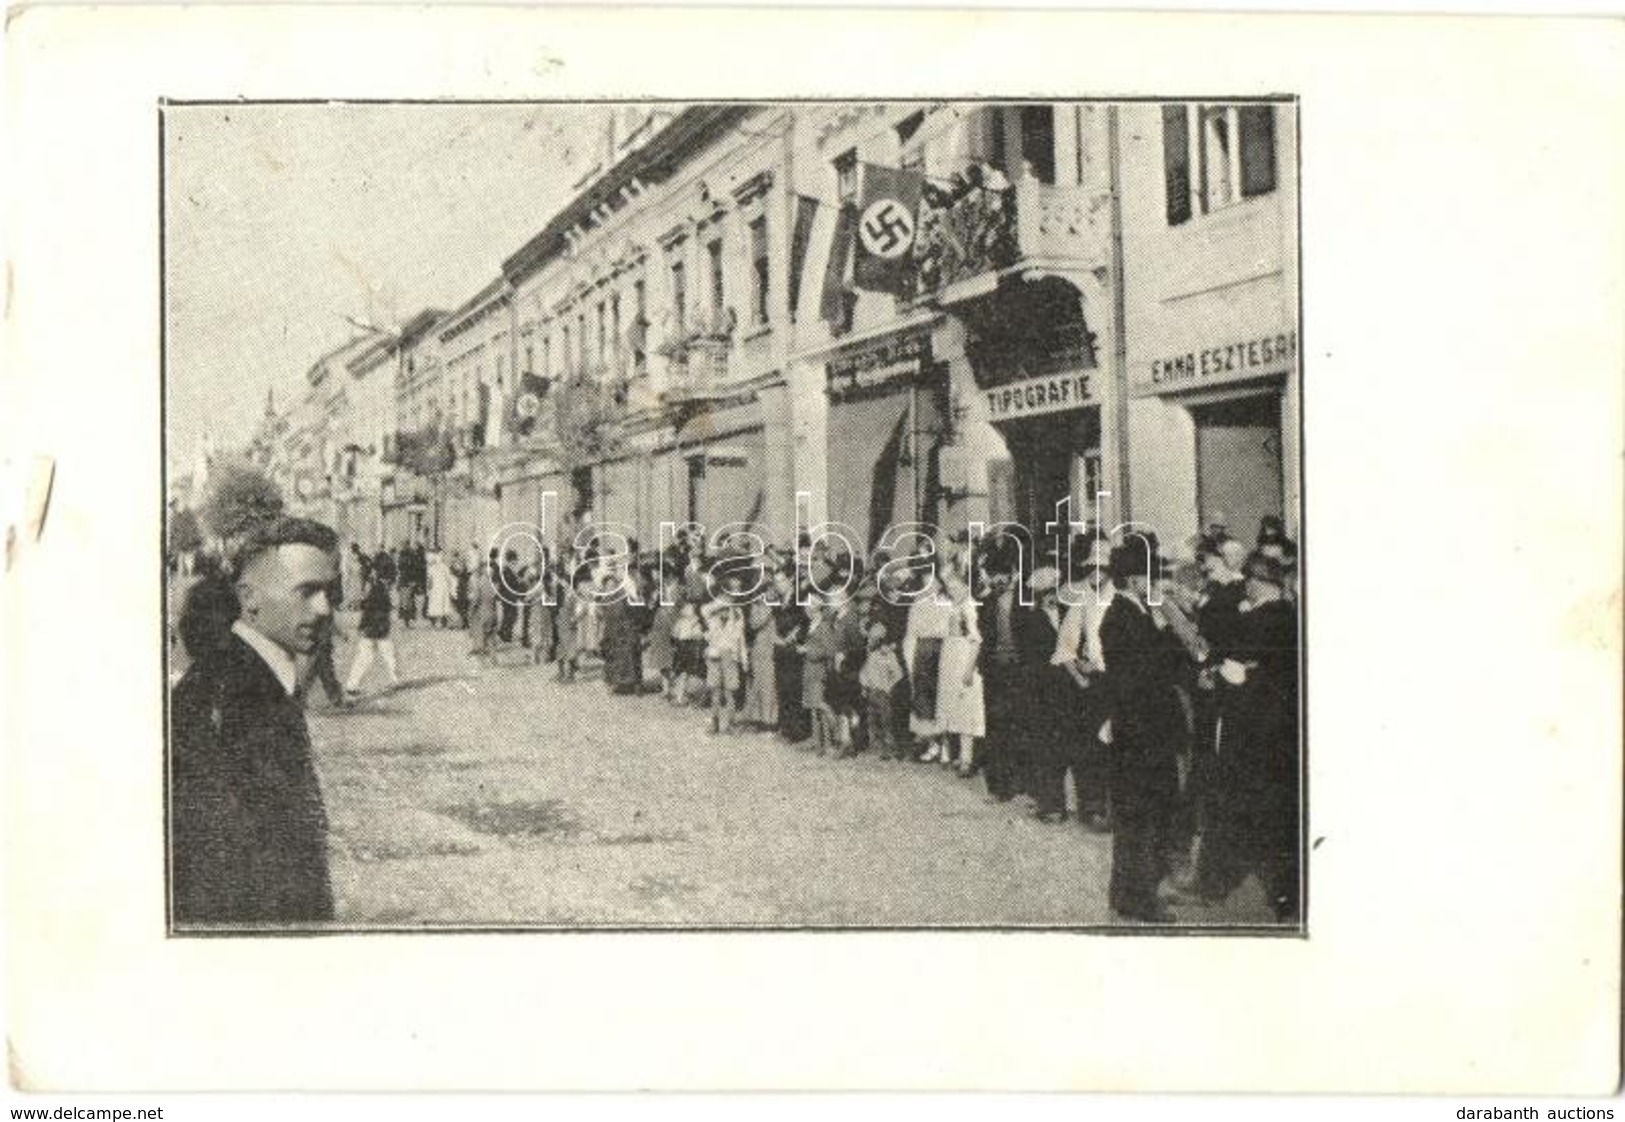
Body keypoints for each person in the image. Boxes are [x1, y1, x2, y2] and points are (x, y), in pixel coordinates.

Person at [170, 517, 340, 925]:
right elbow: (229, 860)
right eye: (307, 592)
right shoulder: (235, 692)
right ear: (249, 597)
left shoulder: (245, 676)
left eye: (329, 592)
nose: (324, 608)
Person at [1185, 552, 1301, 922]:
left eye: (1249, 580)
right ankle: (1275, 891)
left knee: (1235, 802)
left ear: (1257, 581)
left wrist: (1217, 673)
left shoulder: (1267, 617)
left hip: (1251, 727)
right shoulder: (1285, 615)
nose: (1245, 586)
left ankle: (1215, 883)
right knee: (1268, 810)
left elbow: (1243, 670)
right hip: (1274, 729)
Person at [1099, 537, 1191, 923]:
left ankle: (1128, 892)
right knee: (1142, 815)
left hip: (1143, 730)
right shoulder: (1122, 618)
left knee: (1142, 814)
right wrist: (1164, 624)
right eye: (1149, 577)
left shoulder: (1133, 614)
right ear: (1136, 580)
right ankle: (1138, 897)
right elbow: (1146, 675)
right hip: (1141, 732)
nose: (1154, 584)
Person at [936, 564, 985, 777]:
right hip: (950, 657)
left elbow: (976, 641)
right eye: (950, 588)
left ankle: (967, 759)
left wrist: (968, 669)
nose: (953, 591)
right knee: (950, 705)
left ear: (966, 586)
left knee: (966, 707)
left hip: (964, 658)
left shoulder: (970, 607)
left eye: (957, 587)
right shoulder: (952, 606)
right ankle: (953, 754)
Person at [903, 569, 953, 762]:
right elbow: (912, 632)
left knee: (941, 696)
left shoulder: (948, 604)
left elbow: (948, 630)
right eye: (925, 583)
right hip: (922, 651)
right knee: (922, 697)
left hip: (942, 650)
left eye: (932, 583)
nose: (928, 587)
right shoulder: (917, 604)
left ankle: (943, 746)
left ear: (940, 584)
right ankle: (930, 742)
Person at [344, 564, 401, 698]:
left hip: (371, 628)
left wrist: (362, 624)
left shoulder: (376, 588)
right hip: (378, 628)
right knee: (388, 654)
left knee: (366, 657)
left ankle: (352, 684)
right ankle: (395, 680)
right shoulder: (379, 589)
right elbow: (374, 607)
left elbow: (368, 606)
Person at [702, 577, 749, 735]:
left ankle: (731, 723)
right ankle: (714, 722)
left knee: (730, 691)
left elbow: (741, 637)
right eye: (734, 588)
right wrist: (723, 602)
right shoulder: (713, 608)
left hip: (730, 654)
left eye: (739, 588)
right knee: (714, 690)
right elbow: (704, 611)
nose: (738, 592)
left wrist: (744, 658)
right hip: (715, 653)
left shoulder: (737, 612)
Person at [858, 619, 906, 761]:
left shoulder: (888, 655)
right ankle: (883, 749)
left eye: (875, 638)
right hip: (872, 692)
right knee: (875, 721)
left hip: (884, 693)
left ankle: (895, 749)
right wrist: (865, 685)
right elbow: (864, 673)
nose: (872, 641)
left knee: (887, 721)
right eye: (870, 638)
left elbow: (898, 674)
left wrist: (888, 687)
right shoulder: (871, 656)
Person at [425, 547, 453, 628]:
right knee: (438, 604)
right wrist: (429, 587)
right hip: (438, 586)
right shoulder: (438, 568)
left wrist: (429, 588)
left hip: (440, 586)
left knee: (440, 604)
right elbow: (430, 579)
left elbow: (448, 578)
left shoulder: (440, 567)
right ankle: (438, 622)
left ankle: (440, 622)